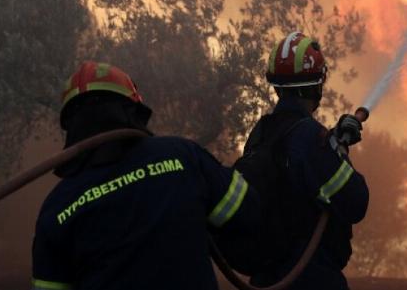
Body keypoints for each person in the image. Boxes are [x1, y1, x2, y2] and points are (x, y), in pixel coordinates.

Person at [31, 61, 259, 290]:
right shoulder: (182, 156)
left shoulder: (57, 208)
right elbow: (249, 214)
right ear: (132, 109)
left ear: (70, 124)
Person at [243, 31, 369, 289]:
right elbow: (356, 201)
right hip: (312, 276)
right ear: (316, 85)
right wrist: (338, 151)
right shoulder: (310, 137)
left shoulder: (261, 133)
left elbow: (300, 170)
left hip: (267, 277)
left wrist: (332, 141)